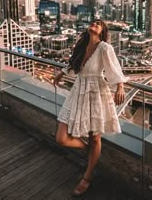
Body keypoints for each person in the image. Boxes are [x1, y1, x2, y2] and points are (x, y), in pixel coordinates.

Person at [54, 19, 128, 196]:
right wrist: (62, 72)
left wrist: (120, 86)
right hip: (78, 91)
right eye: (93, 22)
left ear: (102, 31)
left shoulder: (104, 47)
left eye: (98, 23)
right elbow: (74, 65)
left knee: (95, 138)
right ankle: (90, 151)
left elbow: (114, 68)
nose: (94, 24)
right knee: (61, 138)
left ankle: (87, 177)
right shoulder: (81, 46)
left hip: (96, 92)